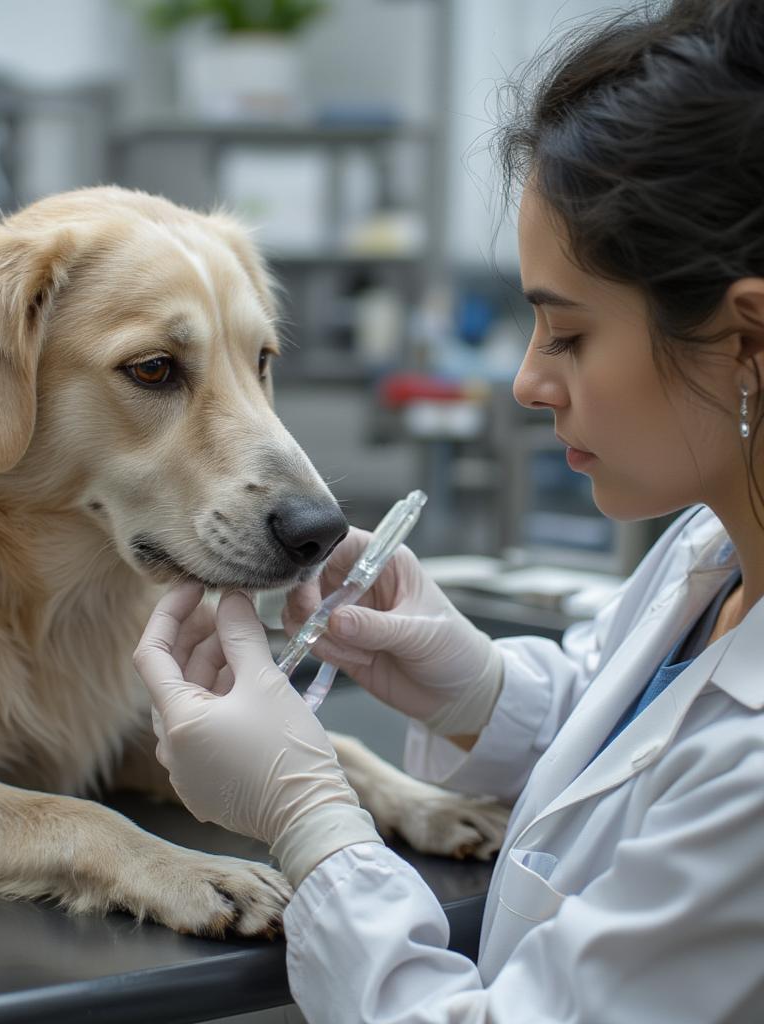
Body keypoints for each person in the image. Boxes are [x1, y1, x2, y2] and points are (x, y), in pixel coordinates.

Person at [132, 0, 764, 1019]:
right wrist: (468, 684)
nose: (525, 381)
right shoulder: (715, 548)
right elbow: (636, 728)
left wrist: (312, 823)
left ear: (746, 341)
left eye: (565, 335)